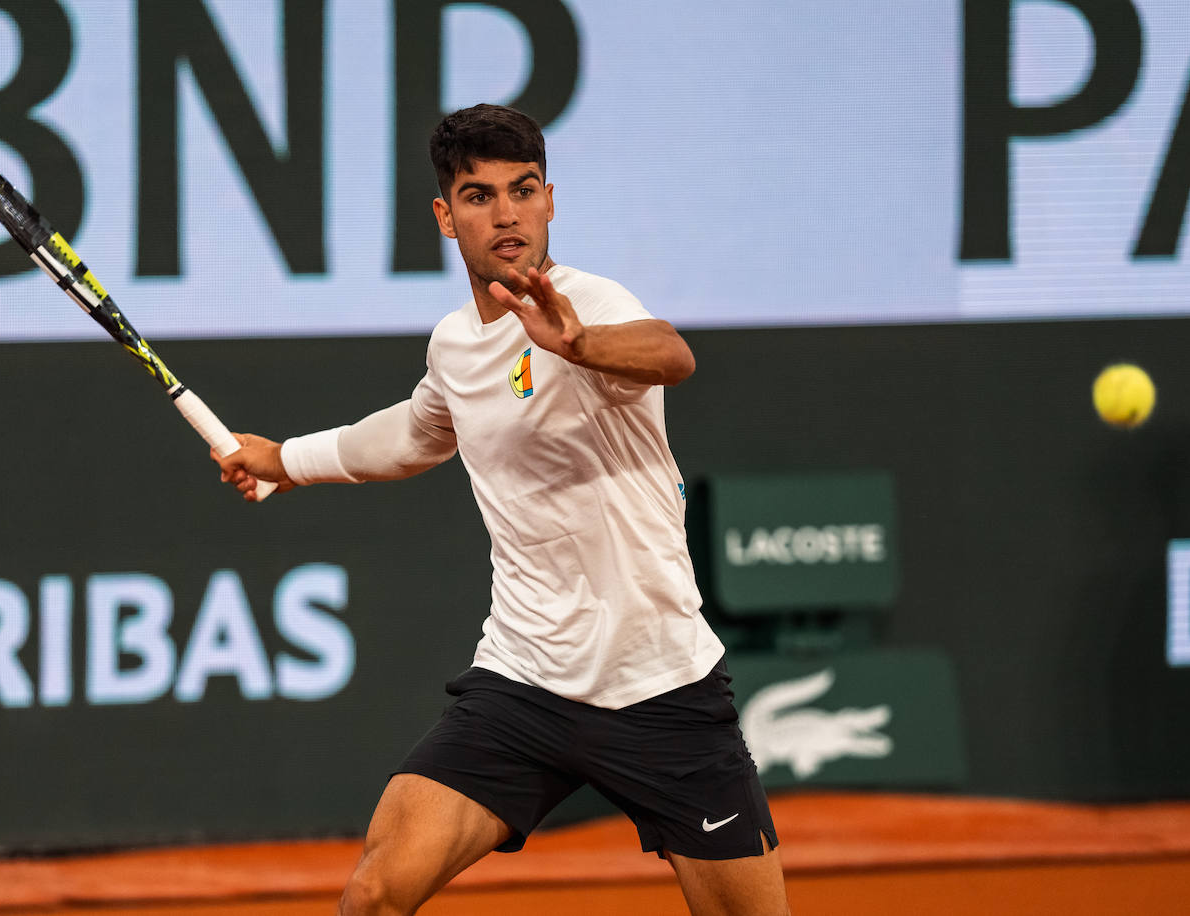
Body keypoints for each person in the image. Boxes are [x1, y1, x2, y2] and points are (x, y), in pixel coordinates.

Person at [215, 103, 790, 916]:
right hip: (525, 684)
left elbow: (671, 353)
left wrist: (577, 344)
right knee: (375, 892)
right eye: (480, 196)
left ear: (549, 200)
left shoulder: (588, 302)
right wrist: (284, 461)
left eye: (523, 191)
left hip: (660, 685)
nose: (507, 212)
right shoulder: (453, 345)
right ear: (447, 218)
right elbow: (413, 435)